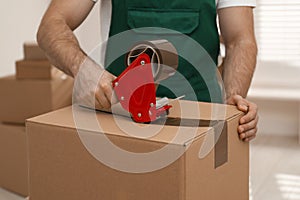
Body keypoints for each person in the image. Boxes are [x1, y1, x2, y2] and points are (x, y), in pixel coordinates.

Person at [37, 0, 258, 142]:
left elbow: (240, 40)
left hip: (201, 123)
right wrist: (83, 69)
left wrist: (231, 106)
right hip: (123, 123)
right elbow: (52, 26)